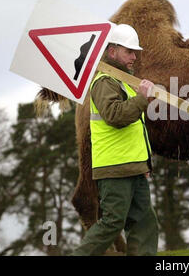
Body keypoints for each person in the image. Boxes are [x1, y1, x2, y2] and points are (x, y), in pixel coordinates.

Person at [71, 24, 158, 256]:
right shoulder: (103, 82)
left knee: (145, 225)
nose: (134, 57)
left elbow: (135, 129)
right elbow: (116, 116)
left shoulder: (123, 83)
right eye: (128, 51)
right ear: (112, 52)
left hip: (133, 168)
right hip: (114, 168)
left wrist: (144, 165)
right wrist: (141, 99)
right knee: (112, 224)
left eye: (135, 52)